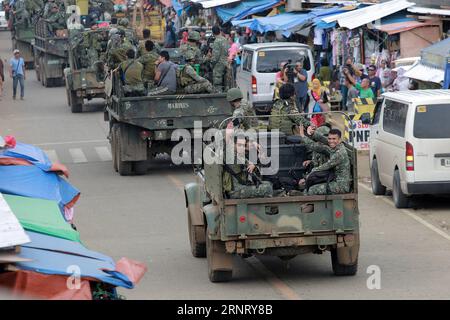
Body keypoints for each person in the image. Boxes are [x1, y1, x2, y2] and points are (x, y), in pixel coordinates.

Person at [298, 125, 351, 196]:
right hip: (333, 179)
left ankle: (312, 206)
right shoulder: (336, 147)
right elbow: (322, 140)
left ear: (339, 140)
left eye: (334, 139)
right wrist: (313, 134)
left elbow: (324, 167)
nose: (331, 141)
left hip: (340, 185)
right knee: (311, 186)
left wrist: (307, 177)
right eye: (329, 139)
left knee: (312, 190)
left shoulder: (339, 154)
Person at [222, 131, 273, 199]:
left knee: (268, 184)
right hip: (236, 191)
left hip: (242, 185)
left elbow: (252, 168)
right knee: (268, 188)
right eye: (239, 145)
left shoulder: (239, 155)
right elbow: (247, 168)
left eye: (243, 145)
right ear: (233, 145)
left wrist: (253, 145)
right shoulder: (229, 156)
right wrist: (257, 161)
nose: (242, 148)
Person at [207, 26, 229, 91]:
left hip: (218, 64)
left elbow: (215, 56)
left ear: (213, 32)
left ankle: (218, 94)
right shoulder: (225, 39)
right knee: (225, 82)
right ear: (219, 31)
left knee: (217, 83)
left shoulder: (216, 41)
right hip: (225, 62)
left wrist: (211, 63)